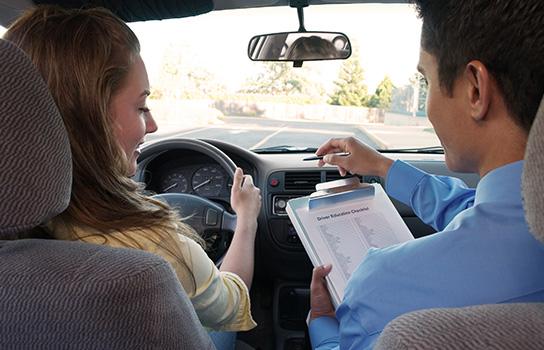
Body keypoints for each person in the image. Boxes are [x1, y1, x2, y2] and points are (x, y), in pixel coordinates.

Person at [3, 6, 261, 350]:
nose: (152, 125)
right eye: (141, 107)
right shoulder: (152, 249)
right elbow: (230, 307)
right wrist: (245, 220)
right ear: (92, 117)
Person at [307, 0, 544, 349]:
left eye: (426, 80)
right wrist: (381, 167)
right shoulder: (530, 216)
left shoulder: (381, 285)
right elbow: (477, 209)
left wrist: (323, 324)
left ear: (475, 90)